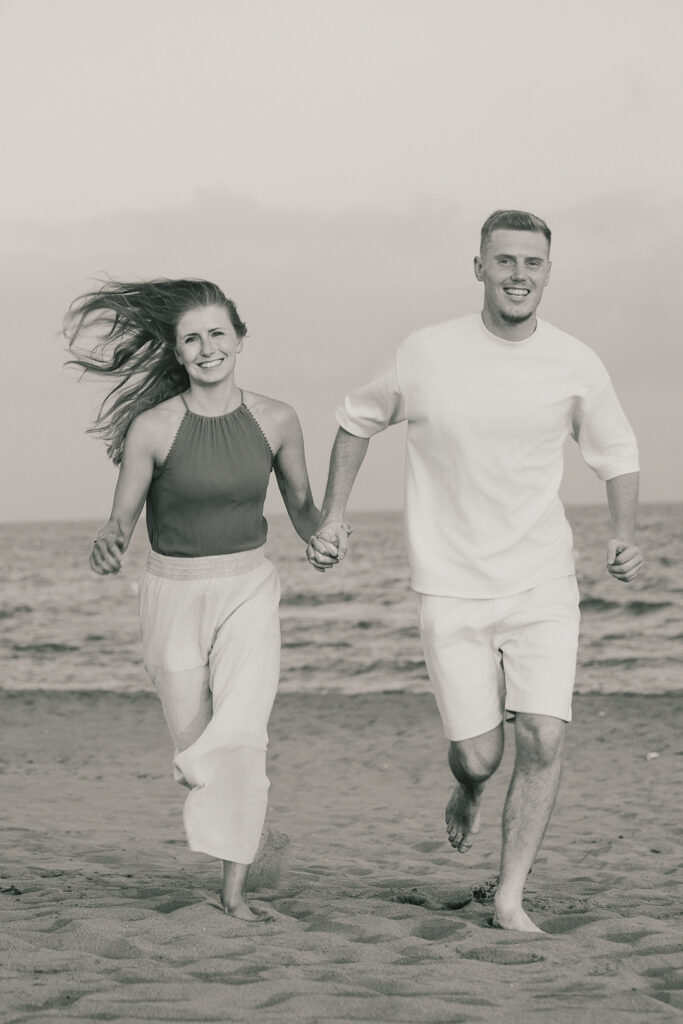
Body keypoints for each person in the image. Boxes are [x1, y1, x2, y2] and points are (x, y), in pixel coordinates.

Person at [307, 210, 643, 933]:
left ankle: (508, 897)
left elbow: (615, 452)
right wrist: (332, 516)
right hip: (450, 586)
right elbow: (355, 420)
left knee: (544, 737)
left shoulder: (575, 363)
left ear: (547, 272)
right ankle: (465, 790)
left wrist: (621, 535)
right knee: (480, 756)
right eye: (504, 261)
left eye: (532, 263)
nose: (518, 275)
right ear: (479, 268)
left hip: (540, 579)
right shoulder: (425, 354)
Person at [66, 278, 322, 921]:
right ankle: (249, 829)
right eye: (191, 339)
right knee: (196, 750)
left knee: (241, 735)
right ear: (176, 352)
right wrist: (108, 541)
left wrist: (326, 536)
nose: (207, 347)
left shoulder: (278, 419)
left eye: (217, 333)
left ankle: (232, 894)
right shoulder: (153, 428)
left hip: (247, 587)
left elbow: (301, 506)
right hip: (171, 594)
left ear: (239, 338)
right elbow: (121, 519)